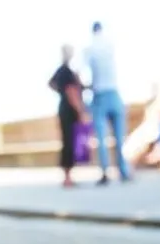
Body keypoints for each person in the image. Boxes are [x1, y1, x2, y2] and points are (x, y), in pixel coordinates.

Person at [84, 22, 129, 185]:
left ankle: (105, 172)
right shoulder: (111, 44)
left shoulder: (89, 48)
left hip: (100, 94)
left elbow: (84, 73)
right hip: (114, 92)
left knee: (101, 138)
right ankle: (123, 171)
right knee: (119, 137)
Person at [49, 45, 88, 188]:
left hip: (63, 108)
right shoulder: (66, 71)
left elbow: (52, 84)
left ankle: (67, 176)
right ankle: (67, 177)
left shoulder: (62, 71)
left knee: (67, 142)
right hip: (69, 110)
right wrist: (81, 111)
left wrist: (60, 92)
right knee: (69, 143)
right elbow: (71, 92)